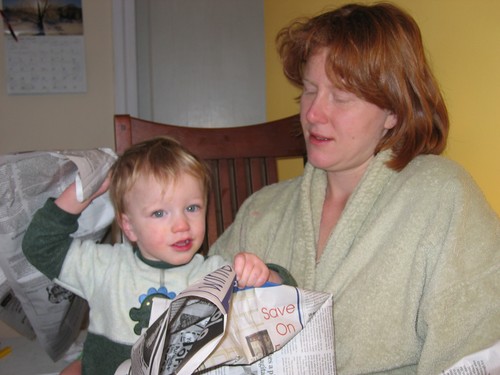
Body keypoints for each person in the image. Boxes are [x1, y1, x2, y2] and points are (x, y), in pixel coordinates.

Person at [209, 3, 500, 374]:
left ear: (394, 111)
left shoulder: (443, 198)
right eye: (310, 91)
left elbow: (474, 350)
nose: (313, 113)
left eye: (341, 98)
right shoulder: (262, 210)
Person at [22, 136, 285, 375]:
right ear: (129, 226)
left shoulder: (214, 274)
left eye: (192, 207)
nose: (181, 225)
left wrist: (265, 274)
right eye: (160, 213)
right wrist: (83, 193)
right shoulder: (104, 266)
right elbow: (39, 245)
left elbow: (281, 302)